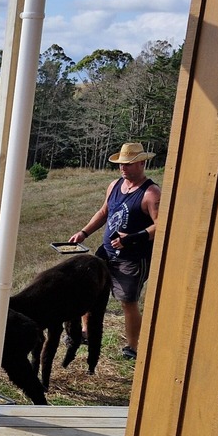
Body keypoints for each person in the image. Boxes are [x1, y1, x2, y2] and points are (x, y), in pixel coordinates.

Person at [68, 142, 162, 360]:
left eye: (128, 164)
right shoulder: (114, 186)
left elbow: (161, 225)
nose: (123, 168)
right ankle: (87, 332)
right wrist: (84, 232)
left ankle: (133, 347)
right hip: (106, 252)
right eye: (121, 164)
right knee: (87, 290)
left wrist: (133, 239)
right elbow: (104, 211)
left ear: (141, 163)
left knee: (127, 301)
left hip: (132, 258)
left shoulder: (151, 192)